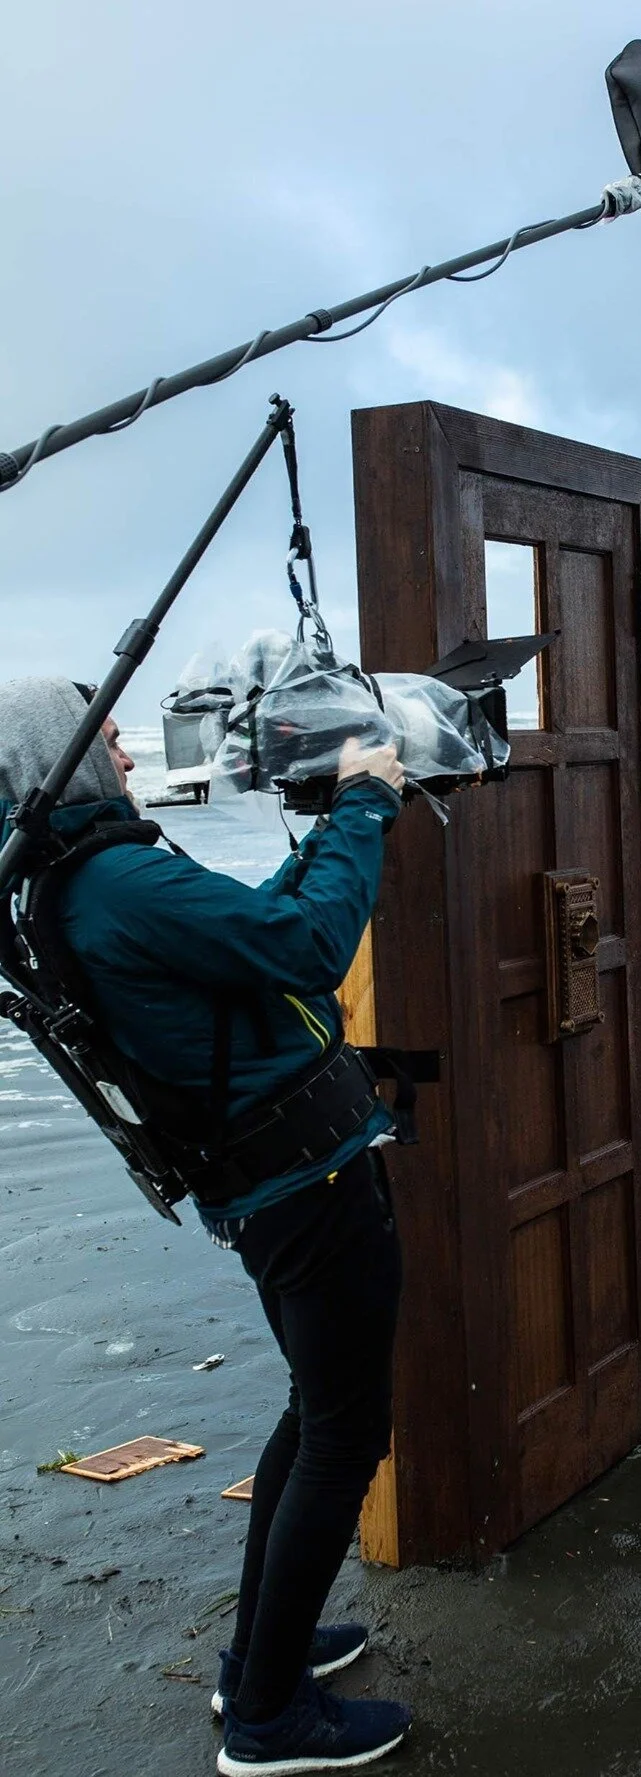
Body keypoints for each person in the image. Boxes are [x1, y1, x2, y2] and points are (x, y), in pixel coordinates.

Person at [0, 677, 414, 1774]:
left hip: (266, 1175)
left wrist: (327, 826)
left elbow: (256, 941)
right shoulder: (115, 881)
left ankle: (256, 1660)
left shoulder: (76, 882)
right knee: (344, 1432)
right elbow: (311, 946)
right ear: (62, 757)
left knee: (314, 1411)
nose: (131, 761)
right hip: (302, 1181)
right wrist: (368, 807)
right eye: (112, 744)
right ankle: (271, 1718)